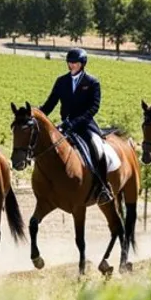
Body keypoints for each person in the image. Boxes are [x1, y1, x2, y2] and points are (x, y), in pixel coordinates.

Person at [40, 48, 112, 204]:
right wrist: (34, 114)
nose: (72, 65)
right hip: (65, 126)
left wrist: (75, 122)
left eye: (75, 63)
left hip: (85, 125)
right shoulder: (61, 81)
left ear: (82, 64)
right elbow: (50, 104)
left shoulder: (92, 82)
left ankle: (102, 187)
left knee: (98, 148)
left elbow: (93, 108)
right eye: (70, 62)